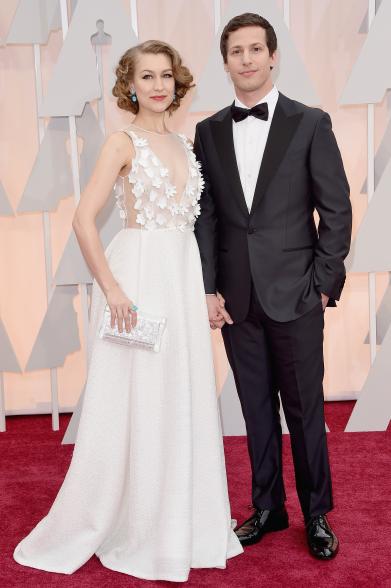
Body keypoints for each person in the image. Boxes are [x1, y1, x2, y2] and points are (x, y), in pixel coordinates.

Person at [13, 40, 242, 581]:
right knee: (135, 397)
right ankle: (134, 523)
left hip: (181, 278)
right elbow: (83, 220)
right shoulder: (122, 142)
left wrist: (208, 289)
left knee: (179, 395)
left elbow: (197, 227)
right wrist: (112, 289)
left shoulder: (187, 146)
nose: (158, 85)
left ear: (176, 82)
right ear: (130, 85)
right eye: (146, 76)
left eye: (166, 75)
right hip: (137, 280)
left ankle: (181, 520)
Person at [194, 13, 352, 560]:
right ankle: (267, 507)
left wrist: (323, 286)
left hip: (298, 294)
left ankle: (316, 514)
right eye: (236, 51)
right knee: (255, 408)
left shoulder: (310, 122)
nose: (247, 59)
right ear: (226, 61)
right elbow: (208, 216)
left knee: (307, 410)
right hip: (237, 299)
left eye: (256, 49)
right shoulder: (208, 131)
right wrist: (210, 288)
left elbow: (336, 209)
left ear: (273, 55)